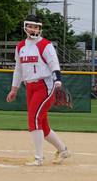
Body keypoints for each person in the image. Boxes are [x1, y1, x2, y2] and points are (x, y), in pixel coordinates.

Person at [6, 14, 71, 166]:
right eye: (31, 26)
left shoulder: (45, 45)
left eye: (36, 27)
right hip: (29, 86)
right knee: (42, 123)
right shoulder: (20, 46)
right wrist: (14, 89)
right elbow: (18, 69)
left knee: (33, 119)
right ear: (25, 27)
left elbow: (54, 64)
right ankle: (63, 150)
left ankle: (38, 158)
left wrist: (58, 80)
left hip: (44, 85)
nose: (34, 29)